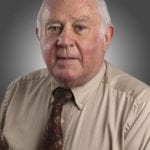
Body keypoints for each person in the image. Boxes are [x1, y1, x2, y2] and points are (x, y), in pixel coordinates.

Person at [0, 0, 150, 149]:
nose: (64, 41)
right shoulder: (17, 91)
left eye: (80, 27)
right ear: (39, 36)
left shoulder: (139, 107)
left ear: (106, 37)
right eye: (54, 28)